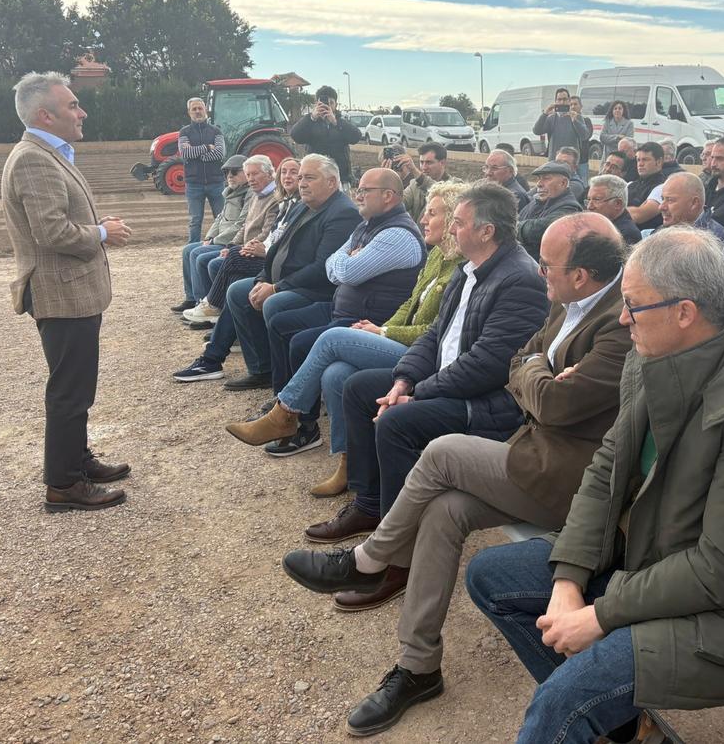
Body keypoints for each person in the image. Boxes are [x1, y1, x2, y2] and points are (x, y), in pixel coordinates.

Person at [465, 227, 724, 744]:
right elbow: (604, 471)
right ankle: (621, 725)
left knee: (562, 701)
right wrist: (569, 582)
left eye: (633, 305)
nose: (620, 317)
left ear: (684, 312)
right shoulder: (658, 355)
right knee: (490, 576)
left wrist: (602, 613)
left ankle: (599, 709)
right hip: (649, 564)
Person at [282, 213, 631, 735]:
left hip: (577, 483)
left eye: (550, 264)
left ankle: (370, 559)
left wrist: (536, 373)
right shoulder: (567, 301)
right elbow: (522, 361)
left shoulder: (619, 322)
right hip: (536, 455)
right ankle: (417, 665)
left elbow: (554, 402)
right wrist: (539, 370)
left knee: (442, 451)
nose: (541, 271)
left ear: (581, 274)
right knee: (444, 510)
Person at [301, 185, 549, 572]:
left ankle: (399, 557)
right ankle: (370, 507)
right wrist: (403, 381)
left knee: (399, 422)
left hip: (491, 403)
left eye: (458, 221)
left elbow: (489, 365)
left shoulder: (520, 278)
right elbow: (435, 334)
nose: (451, 228)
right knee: (359, 388)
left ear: (486, 231)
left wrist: (418, 395)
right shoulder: (470, 268)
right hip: (447, 381)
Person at [232, 183, 467, 497]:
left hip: (420, 353)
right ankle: (349, 463)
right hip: (390, 331)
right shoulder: (437, 255)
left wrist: (384, 331)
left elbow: (435, 330)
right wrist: (378, 326)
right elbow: (408, 304)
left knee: (331, 339)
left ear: (453, 219)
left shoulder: (456, 266)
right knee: (335, 372)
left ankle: (285, 412)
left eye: (433, 212)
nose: (423, 217)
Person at [1, 71, 132, 511]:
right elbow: (51, 231)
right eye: (73, 105)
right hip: (61, 292)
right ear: (45, 114)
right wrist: (100, 232)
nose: (82, 111)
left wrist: (96, 227)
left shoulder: (46, 153)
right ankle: (63, 485)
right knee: (70, 391)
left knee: (77, 386)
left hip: (69, 291)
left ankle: (77, 461)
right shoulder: (33, 159)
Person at [224, 167, 427, 446]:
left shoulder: (397, 235)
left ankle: (298, 423)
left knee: (304, 341)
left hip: (366, 317)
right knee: (282, 323)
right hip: (342, 308)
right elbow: (335, 263)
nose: (358, 195)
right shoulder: (367, 224)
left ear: (389, 196)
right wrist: (346, 260)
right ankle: (284, 404)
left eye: (365, 190)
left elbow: (346, 271)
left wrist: (346, 261)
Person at [172, 155, 359, 384]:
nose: (301, 183)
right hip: (287, 281)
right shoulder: (303, 205)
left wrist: (276, 288)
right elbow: (277, 246)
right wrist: (262, 278)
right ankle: (258, 369)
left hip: (315, 289)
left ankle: (280, 380)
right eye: (300, 177)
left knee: (273, 302)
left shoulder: (342, 212)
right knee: (238, 291)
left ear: (332, 182)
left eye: (309, 177)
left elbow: (322, 269)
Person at [180, 155, 287, 324]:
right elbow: (242, 225)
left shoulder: (273, 198)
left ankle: (213, 309)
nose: (251, 178)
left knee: (209, 261)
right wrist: (230, 245)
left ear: (270, 174)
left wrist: (237, 247)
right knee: (195, 253)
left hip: (258, 250)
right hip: (243, 246)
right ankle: (207, 307)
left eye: (254, 174)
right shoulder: (256, 195)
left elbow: (266, 233)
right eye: (248, 174)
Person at [175, 154, 251, 313]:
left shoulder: (248, 194)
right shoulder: (231, 192)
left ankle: (203, 303)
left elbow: (240, 225)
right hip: (220, 239)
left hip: (230, 241)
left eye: (235, 172)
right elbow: (219, 218)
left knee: (197, 253)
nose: (230, 176)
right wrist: (209, 237)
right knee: (188, 250)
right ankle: (192, 298)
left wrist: (215, 240)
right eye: (226, 172)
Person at [177, 96, 226, 244]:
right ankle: (193, 248)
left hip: (216, 182)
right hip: (194, 184)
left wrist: (197, 155)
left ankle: (222, 245)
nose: (198, 111)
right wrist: (206, 148)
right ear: (189, 112)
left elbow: (220, 154)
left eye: (200, 108)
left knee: (222, 217)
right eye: (194, 109)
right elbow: (185, 153)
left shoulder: (216, 131)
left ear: (206, 111)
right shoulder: (184, 133)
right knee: (195, 220)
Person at [290, 85, 361, 185]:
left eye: (331, 103)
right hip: (314, 175)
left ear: (336, 105)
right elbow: (295, 135)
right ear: (317, 104)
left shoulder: (341, 122)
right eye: (323, 103)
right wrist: (312, 118)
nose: (327, 106)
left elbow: (356, 137)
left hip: (340, 176)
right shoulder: (310, 123)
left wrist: (336, 122)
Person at [517, 161, 583, 261]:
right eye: (539, 179)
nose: (539, 184)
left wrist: (513, 227)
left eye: (546, 178)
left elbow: (537, 230)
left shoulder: (570, 208)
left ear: (563, 183)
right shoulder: (536, 202)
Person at [655, 170, 724, 242]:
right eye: (662, 199)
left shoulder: (717, 241)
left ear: (694, 203)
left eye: (670, 200)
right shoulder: (662, 231)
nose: (661, 207)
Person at [533, 88, 592, 162]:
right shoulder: (551, 118)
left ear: (569, 101)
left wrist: (575, 121)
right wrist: (545, 114)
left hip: (571, 162)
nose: (562, 102)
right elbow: (536, 131)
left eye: (565, 99)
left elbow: (585, 136)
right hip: (554, 161)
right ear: (555, 101)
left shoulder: (576, 116)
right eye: (559, 99)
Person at [399, 143, 455, 220]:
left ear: (442, 163)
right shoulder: (415, 185)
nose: (424, 167)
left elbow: (441, 191)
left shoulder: (455, 185)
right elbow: (399, 204)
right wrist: (391, 178)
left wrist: (415, 171)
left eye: (429, 162)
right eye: (421, 162)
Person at [585, 174, 641, 245]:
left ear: (618, 203)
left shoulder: (626, 235)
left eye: (597, 199)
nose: (589, 206)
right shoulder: (597, 225)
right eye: (588, 200)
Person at [625, 142, 669, 230]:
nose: (640, 164)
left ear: (659, 162)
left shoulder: (663, 187)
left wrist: (614, 209)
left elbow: (638, 215)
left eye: (645, 160)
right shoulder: (630, 184)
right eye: (638, 160)